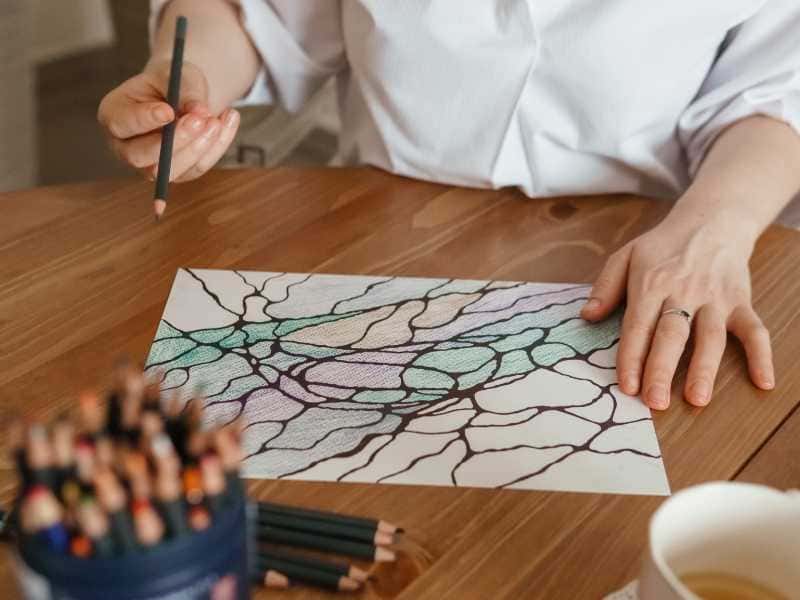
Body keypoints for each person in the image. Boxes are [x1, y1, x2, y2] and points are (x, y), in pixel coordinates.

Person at [98, 1, 800, 411]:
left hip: (658, 259)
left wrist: (715, 229)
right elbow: (260, 17)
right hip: (369, 247)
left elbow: (776, 88)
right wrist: (186, 76)